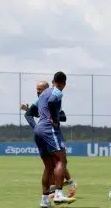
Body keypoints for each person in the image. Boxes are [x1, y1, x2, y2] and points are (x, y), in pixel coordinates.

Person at [19, 81, 76, 198]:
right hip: (46, 133)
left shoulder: (51, 97)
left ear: (46, 88)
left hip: (53, 133)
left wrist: (53, 118)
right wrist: (37, 127)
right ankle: (60, 189)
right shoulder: (40, 101)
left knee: (57, 163)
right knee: (56, 163)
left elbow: (63, 116)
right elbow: (30, 114)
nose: (37, 91)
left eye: (40, 89)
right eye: (36, 89)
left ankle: (63, 187)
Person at [33, 72, 76, 207]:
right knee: (61, 160)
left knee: (49, 166)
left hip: (38, 129)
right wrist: (55, 119)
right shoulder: (57, 92)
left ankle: (44, 200)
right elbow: (52, 101)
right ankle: (58, 193)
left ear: (52, 80)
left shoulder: (43, 94)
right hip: (49, 128)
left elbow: (34, 111)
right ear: (63, 83)